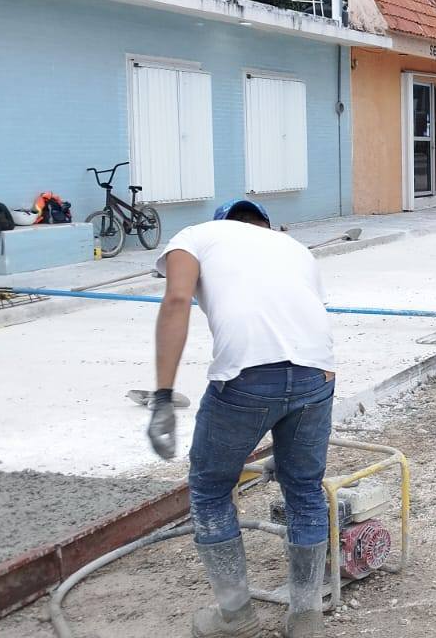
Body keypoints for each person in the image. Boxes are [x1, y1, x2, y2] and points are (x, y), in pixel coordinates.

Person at [147, 199, 335, 638]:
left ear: (222, 224)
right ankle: (306, 618)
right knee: (303, 489)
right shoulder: (294, 248)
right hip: (317, 374)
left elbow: (176, 299)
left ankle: (236, 616)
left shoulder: (194, 236)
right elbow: (309, 326)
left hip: (246, 377)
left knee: (211, 491)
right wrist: (293, 447)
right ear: (264, 225)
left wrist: (161, 398)